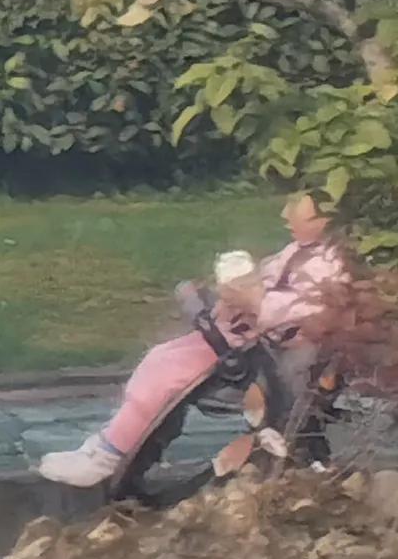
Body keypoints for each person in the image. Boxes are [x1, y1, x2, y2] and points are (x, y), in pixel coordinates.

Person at [38, 190, 350, 487]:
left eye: (298, 211)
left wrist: (254, 300)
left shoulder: (331, 266)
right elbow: (272, 282)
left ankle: (109, 454)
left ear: (327, 220)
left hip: (259, 349)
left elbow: (304, 306)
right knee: (162, 361)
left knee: (166, 370)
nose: (285, 215)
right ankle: (115, 444)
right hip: (245, 335)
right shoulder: (300, 252)